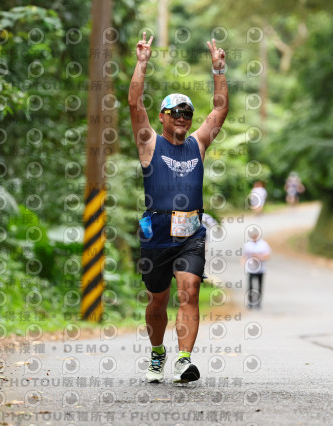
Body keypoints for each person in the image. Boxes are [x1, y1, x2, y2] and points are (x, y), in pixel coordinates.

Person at [128, 32, 228, 384]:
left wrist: (219, 69)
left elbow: (220, 109)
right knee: (157, 303)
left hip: (191, 233)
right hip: (156, 234)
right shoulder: (149, 143)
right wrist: (142, 63)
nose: (184, 117)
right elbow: (134, 105)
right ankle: (158, 352)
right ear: (163, 116)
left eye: (187, 112)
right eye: (176, 112)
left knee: (190, 291)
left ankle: (184, 360)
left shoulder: (198, 144)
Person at [241, 228, 271, 309]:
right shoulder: (247, 245)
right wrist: (243, 263)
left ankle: (258, 302)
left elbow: (267, 256)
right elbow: (244, 256)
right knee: (250, 286)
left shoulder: (263, 244)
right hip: (251, 269)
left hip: (261, 269)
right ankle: (250, 302)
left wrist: (259, 257)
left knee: (259, 286)